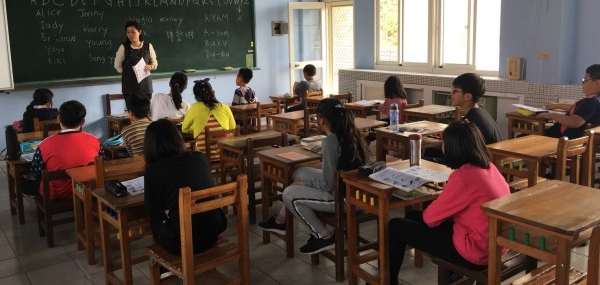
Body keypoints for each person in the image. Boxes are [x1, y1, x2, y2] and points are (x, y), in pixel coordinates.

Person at [388, 122, 510, 285]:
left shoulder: (463, 177)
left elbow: (430, 219)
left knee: (394, 226)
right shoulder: (490, 168)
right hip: (494, 245)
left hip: (474, 251)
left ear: (454, 147)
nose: (442, 147)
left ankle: (387, 281)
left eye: (444, 143)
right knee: (411, 215)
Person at [258, 98, 370, 254]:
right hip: (354, 191)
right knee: (300, 172)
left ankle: (323, 236)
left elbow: (329, 185)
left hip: (345, 199)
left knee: (289, 194)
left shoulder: (331, 141)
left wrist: (305, 185)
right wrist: (304, 182)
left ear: (321, 120)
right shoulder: (352, 133)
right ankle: (280, 220)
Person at [144, 119, 227, 256]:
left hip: (181, 242)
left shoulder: (154, 171)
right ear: (178, 138)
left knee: (155, 215)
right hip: (213, 231)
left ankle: (163, 270)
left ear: (149, 146)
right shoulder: (200, 158)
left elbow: (151, 207)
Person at [27, 100, 100, 198]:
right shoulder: (95, 140)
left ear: (58, 119)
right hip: (87, 191)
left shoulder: (45, 143)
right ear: (83, 122)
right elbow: (101, 165)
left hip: (57, 194)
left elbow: (36, 173)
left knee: (25, 185)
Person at [539, 64, 600, 139]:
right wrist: (557, 105)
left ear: (597, 83)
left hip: (561, 140)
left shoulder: (590, 102)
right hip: (571, 140)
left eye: (585, 80)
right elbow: (581, 110)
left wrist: (552, 115)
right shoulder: (596, 99)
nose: (582, 83)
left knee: (524, 137)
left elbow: (574, 122)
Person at [182, 78, 236, 155]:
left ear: (196, 97)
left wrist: (197, 128)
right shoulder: (225, 107)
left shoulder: (194, 107)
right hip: (226, 153)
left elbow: (185, 129)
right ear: (213, 93)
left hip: (204, 155)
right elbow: (233, 129)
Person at [451, 73, 501, 144]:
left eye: (454, 91)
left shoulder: (471, 121)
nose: (451, 94)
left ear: (468, 97)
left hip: (486, 154)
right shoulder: (480, 112)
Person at [113, 21, 158, 98]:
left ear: (139, 32)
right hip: (129, 87)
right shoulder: (123, 47)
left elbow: (155, 64)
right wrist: (127, 73)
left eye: (133, 32)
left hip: (145, 86)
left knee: (146, 109)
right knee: (131, 109)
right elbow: (117, 65)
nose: (130, 35)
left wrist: (150, 67)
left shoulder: (148, 46)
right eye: (128, 32)